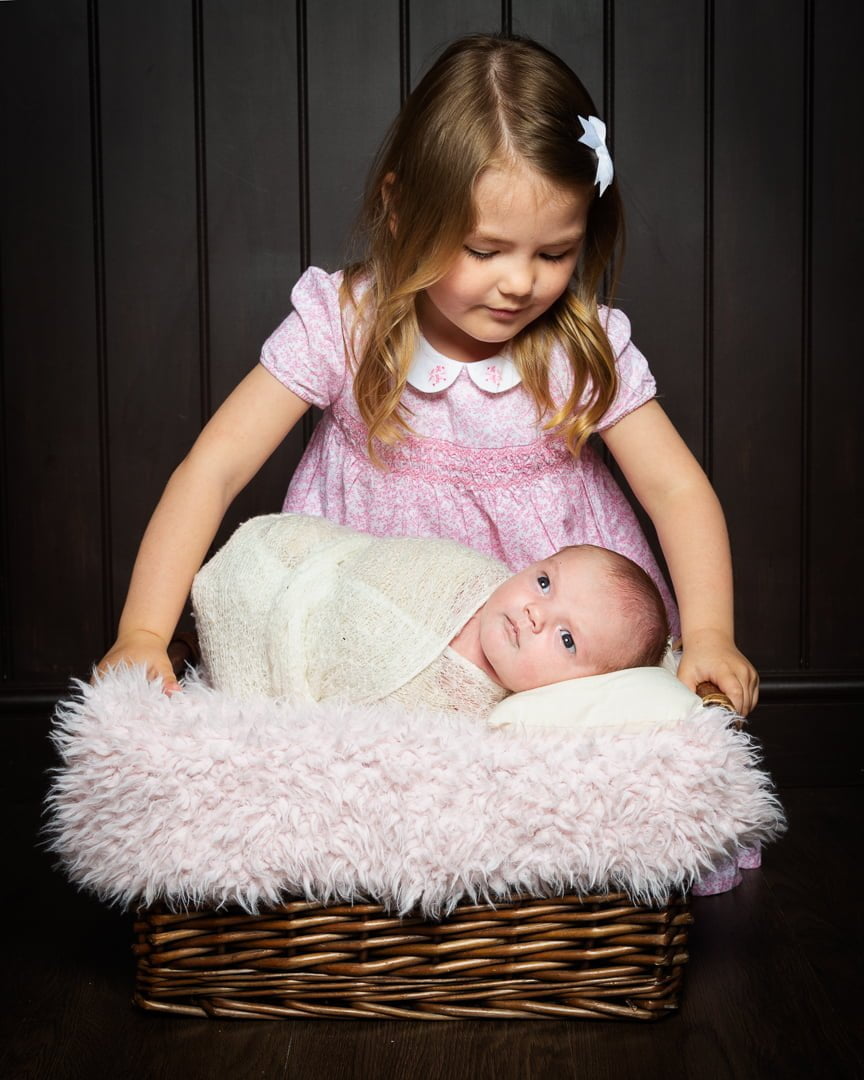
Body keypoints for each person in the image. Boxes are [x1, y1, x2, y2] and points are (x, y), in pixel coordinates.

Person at [97, 32, 758, 717]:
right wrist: (142, 630)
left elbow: (675, 486)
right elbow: (217, 466)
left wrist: (711, 633)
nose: (520, 283)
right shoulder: (343, 326)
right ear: (400, 206)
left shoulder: (578, 346)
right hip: (372, 626)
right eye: (484, 248)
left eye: (556, 252)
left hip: (545, 661)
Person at [190, 513, 669, 717]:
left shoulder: (508, 719)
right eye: (544, 582)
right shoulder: (466, 577)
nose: (534, 612)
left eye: (567, 639)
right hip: (295, 578)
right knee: (262, 566)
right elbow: (368, 569)